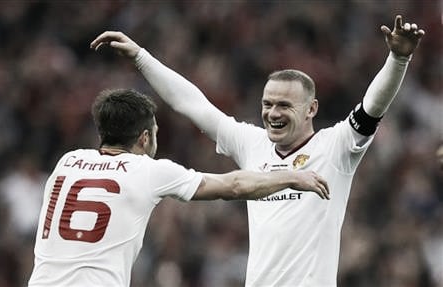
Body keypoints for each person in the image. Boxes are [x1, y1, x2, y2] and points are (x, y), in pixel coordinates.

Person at [91, 14, 425, 286]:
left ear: (311, 109)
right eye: (267, 104)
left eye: (284, 104)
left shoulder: (337, 146)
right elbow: (191, 103)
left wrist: (398, 58)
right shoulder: (252, 143)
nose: (273, 113)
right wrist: (140, 57)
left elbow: (372, 107)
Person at [27, 88, 329, 286]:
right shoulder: (148, 170)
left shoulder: (68, 161)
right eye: (155, 131)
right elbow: (234, 185)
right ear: (144, 138)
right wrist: (291, 177)